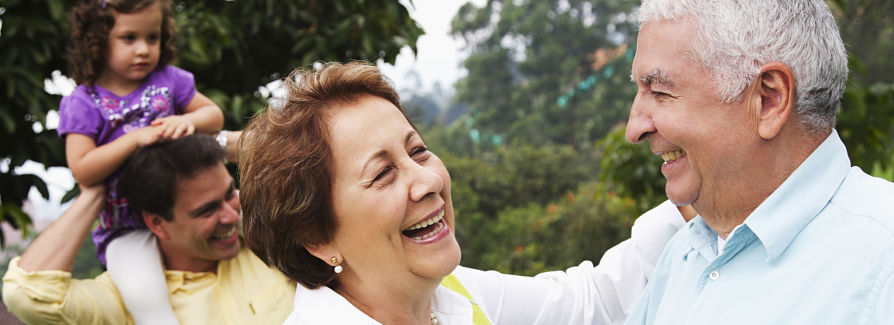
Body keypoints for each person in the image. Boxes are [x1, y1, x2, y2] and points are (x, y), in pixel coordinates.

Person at [238, 61, 693, 324]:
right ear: (317, 237)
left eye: (418, 151)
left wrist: (698, 190)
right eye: (382, 175)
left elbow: (595, 300)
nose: (429, 180)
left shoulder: (451, 297)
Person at [623, 0, 894, 324]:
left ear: (769, 100)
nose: (634, 129)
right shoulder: (683, 256)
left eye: (660, 92)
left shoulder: (882, 258)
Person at [1, 134, 295, 324]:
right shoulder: (125, 300)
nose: (231, 215)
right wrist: (97, 187)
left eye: (230, 193)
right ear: (157, 223)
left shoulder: (273, 244)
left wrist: (210, 138)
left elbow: (305, 152)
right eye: (206, 210)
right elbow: (28, 293)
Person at [57, 0, 224, 323]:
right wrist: (133, 139)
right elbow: (83, 169)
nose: (144, 50)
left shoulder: (169, 80)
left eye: (153, 37)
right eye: (129, 38)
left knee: (262, 229)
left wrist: (190, 122)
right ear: (96, 40)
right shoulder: (82, 102)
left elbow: (213, 115)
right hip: (124, 229)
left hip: (191, 209)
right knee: (146, 299)